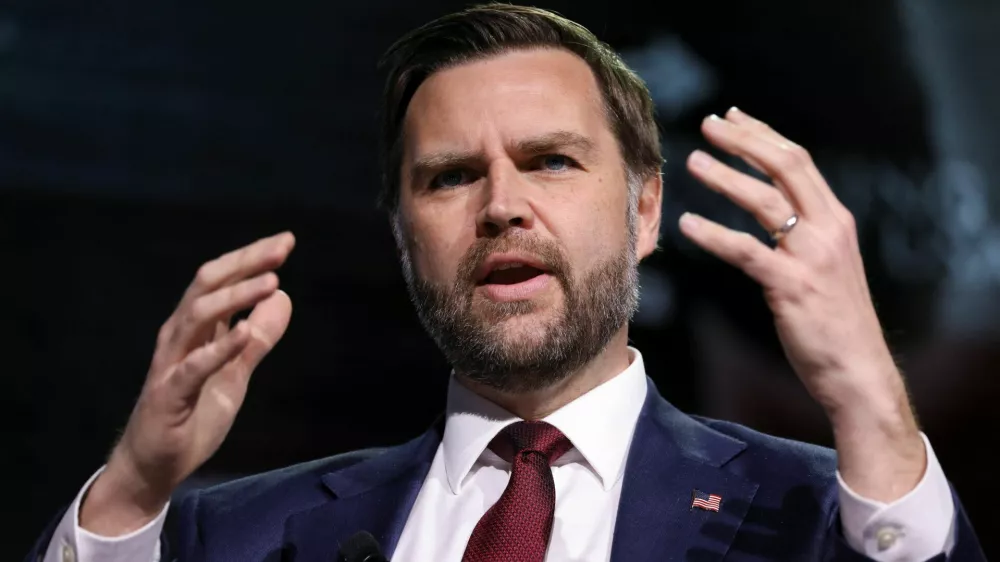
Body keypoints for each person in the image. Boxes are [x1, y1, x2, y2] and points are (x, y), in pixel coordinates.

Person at [27, 4, 984, 562]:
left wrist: (872, 406)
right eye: (449, 176)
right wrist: (135, 485)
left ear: (645, 211)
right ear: (405, 240)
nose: (500, 206)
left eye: (552, 162)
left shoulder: (816, 515)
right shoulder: (237, 531)